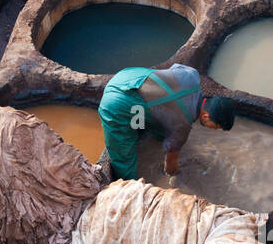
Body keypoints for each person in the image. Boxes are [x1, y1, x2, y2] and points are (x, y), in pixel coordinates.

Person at [97, 63, 236, 180]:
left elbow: (171, 76)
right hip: (115, 104)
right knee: (125, 157)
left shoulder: (192, 75)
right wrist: (175, 175)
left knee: (151, 127)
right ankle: (126, 190)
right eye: (215, 126)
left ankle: (139, 128)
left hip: (127, 76)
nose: (213, 129)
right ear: (205, 116)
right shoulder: (182, 126)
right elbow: (170, 163)